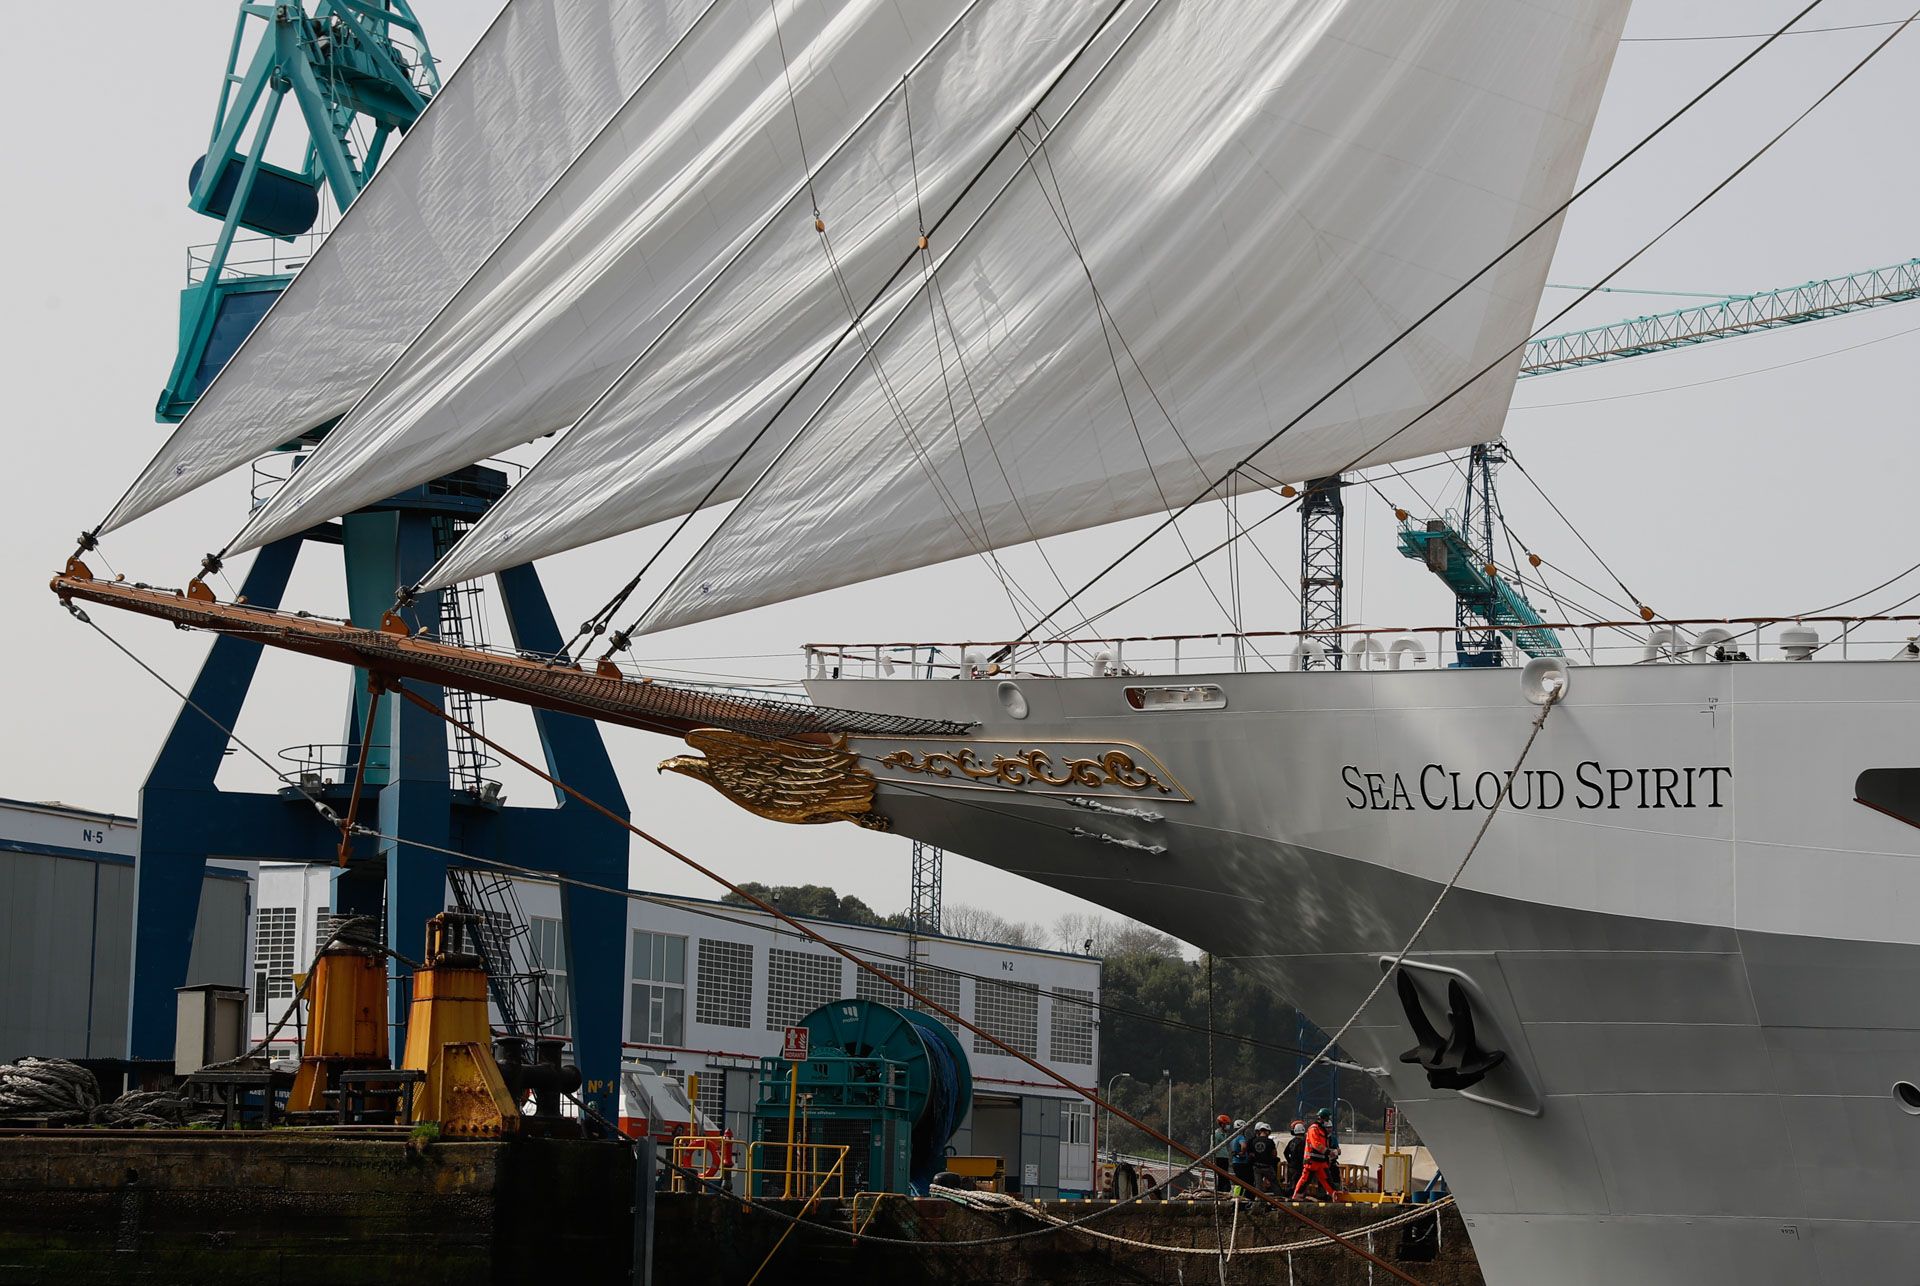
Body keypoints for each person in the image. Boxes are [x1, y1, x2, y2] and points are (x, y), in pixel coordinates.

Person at [1292, 1108, 1340, 1202]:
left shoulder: (1322, 1131)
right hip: (1312, 1160)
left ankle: (1334, 1195)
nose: (1327, 1121)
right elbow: (1316, 1144)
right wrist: (1329, 1152)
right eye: (1327, 1119)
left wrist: (1329, 1154)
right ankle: (1297, 1195)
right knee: (1305, 1179)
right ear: (1323, 1119)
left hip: (1320, 1161)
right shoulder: (1314, 1129)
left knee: (1327, 1180)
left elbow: (1322, 1146)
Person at [1246, 1120, 1281, 1193]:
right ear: (1267, 1131)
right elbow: (1274, 1154)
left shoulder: (1254, 1141)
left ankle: (1259, 1200)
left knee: (1258, 1186)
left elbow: (1251, 1154)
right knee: (1274, 1184)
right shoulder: (1270, 1141)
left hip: (1256, 1167)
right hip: (1267, 1167)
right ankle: (1279, 1198)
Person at [1229, 1118, 1255, 1194]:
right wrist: (1243, 1152)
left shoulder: (1233, 1138)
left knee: (1238, 1182)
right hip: (1242, 1163)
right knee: (1247, 1182)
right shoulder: (1241, 1137)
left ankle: (1236, 1196)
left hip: (1235, 1163)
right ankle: (1245, 1197)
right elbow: (1243, 1146)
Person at [1211, 1113, 1234, 1192]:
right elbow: (1212, 1147)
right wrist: (1212, 1159)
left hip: (1224, 1158)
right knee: (1222, 1176)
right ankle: (1222, 1191)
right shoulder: (1217, 1134)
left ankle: (1223, 1190)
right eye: (1227, 1124)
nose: (1228, 1126)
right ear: (1222, 1124)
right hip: (1219, 1158)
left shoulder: (1224, 1134)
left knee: (1224, 1176)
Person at [1284, 1120, 1307, 1194]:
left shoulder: (1291, 1141)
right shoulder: (1303, 1142)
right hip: (1299, 1167)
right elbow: (1301, 1155)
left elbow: (1285, 1152)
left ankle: (1291, 1194)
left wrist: (1290, 1161)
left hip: (1291, 1166)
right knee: (1299, 1183)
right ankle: (1297, 1195)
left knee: (1291, 1182)